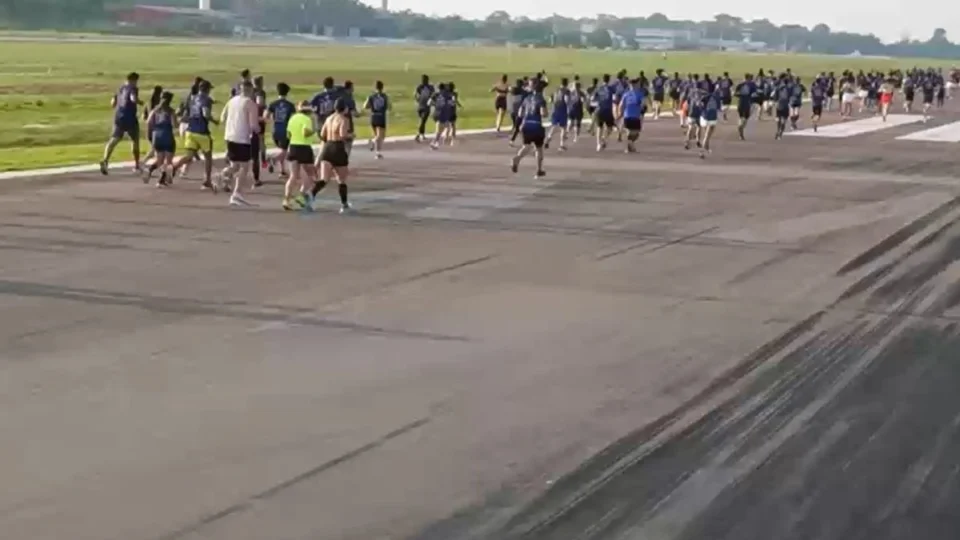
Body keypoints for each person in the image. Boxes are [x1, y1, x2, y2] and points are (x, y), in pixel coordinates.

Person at [219, 80, 260, 207]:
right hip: (242, 137)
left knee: (235, 165)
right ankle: (236, 193)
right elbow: (253, 125)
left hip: (230, 136)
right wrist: (259, 128)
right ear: (251, 90)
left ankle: (223, 174)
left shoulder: (231, 101)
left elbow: (222, 118)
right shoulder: (250, 104)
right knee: (244, 167)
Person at [171, 79, 217, 190]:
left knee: (189, 156)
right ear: (206, 89)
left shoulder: (193, 98)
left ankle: (174, 167)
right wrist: (214, 121)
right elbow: (205, 114)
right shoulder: (206, 100)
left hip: (190, 130)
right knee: (208, 157)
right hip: (202, 132)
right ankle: (207, 181)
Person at [311, 98, 352, 214]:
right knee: (341, 179)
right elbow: (343, 135)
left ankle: (310, 197)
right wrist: (351, 135)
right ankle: (344, 205)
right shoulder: (344, 119)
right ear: (344, 108)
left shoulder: (329, 118)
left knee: (324, 179)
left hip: (327, 148)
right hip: (338, 148)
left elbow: (323, 134)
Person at [100, 71, 142, 175]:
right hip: (130, 118)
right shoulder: (133, 88)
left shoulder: (121, 88)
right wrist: (139, 102)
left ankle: (105, 160)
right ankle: (137, 165)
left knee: (114, 139)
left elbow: (113, 102)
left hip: (119, 117)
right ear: (133, 80)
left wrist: (118, 107)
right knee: (135, 141)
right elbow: (133, 98)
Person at [282, 100, 318, 212]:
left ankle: (286, 199)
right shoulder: (307, 119)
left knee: (293, 175)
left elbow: (288, 134)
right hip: (304, 147)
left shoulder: (292, 118)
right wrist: (314, 131)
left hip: (293, 146)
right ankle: (302, 194)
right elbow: (305, 132)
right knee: (311, 174)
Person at [510, 81, 548, 178]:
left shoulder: (527, 98)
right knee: (539, 148)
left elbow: (520, 113)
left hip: (525, 125)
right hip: (536, 125)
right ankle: (538, 170)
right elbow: (543, 113)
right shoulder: (541, 99)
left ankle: (517, 158)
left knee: (526, 146)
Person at [143, 91, 177, 187]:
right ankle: (161, 180)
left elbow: (149, 122)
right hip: (167, 136)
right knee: (168, 161)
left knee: (160, 160)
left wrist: (151, 134)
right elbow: (175, 125)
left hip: (156, 136)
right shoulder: (170, 111)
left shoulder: (155, 110)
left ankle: (149, 170)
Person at [264, 82, 296, 178]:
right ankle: (273, 160)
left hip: (275, 130)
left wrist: (273, 122)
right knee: (284, 151)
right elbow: (293, 118)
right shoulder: (290, 105)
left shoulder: (273, 104)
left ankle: (282, 171)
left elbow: (265, 116)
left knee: (281, 150)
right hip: (285, 131)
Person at [618, 78, 646, 154]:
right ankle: (630, 146)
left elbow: (621, 105)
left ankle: (630, 145)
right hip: (635, 116)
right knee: (635, 132)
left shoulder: (626, 94)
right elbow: (643, 104)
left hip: (627, 115)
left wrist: (620, 113)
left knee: (631, 132)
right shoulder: (640, 94)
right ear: (636, 84)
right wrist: (642, 110)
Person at [363, 80, 390, 159]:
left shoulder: (371, 96)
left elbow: (365, 106)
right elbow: (389, 106)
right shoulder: (385, 96)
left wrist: (371, 106)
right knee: (381, 136)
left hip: (373, 117)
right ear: (382, 87)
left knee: (377, 135)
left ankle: (373, 142)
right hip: (381, 117)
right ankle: (377, 152)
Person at [544, 78, 570, 151]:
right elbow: (566, 100)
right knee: (563, 128)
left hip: (555, 109)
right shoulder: (566, 91)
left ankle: (548, 139)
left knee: (554, 126)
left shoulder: (557, 90)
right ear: (566, 83)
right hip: (562, 110)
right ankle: (561, 145)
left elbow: (550, 100)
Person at [734, 73, 757, 140]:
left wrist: (740, 95)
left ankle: (740, 128)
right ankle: (741, 128)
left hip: (740, 103)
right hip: (747, 103)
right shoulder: (752, 84)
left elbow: (735, 94)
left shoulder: (740, 85)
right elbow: (755, 93)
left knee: (742, 117)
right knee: (746, 118)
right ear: (749, 78)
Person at [413, 74, 434, 143]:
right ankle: (422, 134)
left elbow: (433, 95)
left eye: (424, 80)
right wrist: (418, 100)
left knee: (423, 121)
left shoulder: (430, 87)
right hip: (420, 106)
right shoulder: (420, 87)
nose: (423, 81)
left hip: (426, 107)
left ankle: (418, 135)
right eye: (423, 80)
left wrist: (431, 102)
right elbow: (415, 95)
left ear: (427, 80)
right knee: (423, 121)